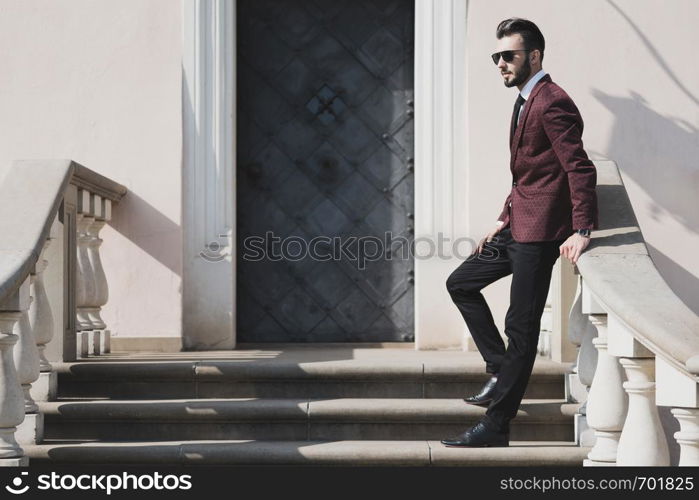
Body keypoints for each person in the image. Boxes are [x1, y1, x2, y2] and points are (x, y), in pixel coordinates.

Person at [441, 18, 598, 447]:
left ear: (534, 56)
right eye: (496, 57)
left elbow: (578, 167)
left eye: (508, 56)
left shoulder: (552, 102)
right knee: (461, 283)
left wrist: (582, 227)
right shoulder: (525, 100)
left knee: (521, 326)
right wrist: (502, 218)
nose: (501, 64)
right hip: (518, 226)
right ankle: (499, 369)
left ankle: (496, 426)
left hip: (542, 233)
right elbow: (528, 175)